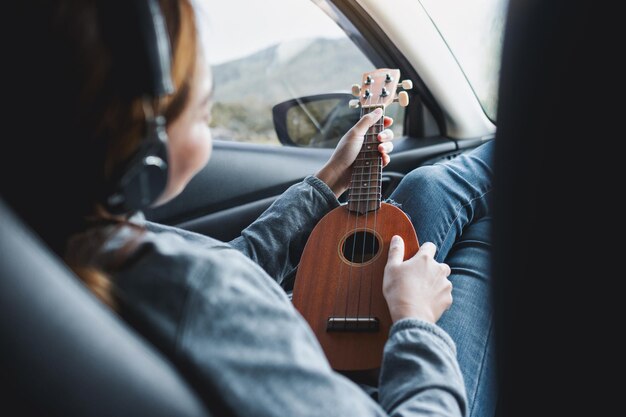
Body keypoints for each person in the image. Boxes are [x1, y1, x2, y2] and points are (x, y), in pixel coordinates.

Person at [2, 1, 495, 416]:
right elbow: (215, 288)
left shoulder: (84, 235)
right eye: (201, 108)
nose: (204, 84)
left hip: (308, 366)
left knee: (430, 185)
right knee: (483, 235)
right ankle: (526, 142)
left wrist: (326, 182)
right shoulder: (204, 296)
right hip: (388, 397)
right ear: (144, 138)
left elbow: (229, 264)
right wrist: (415, 320)